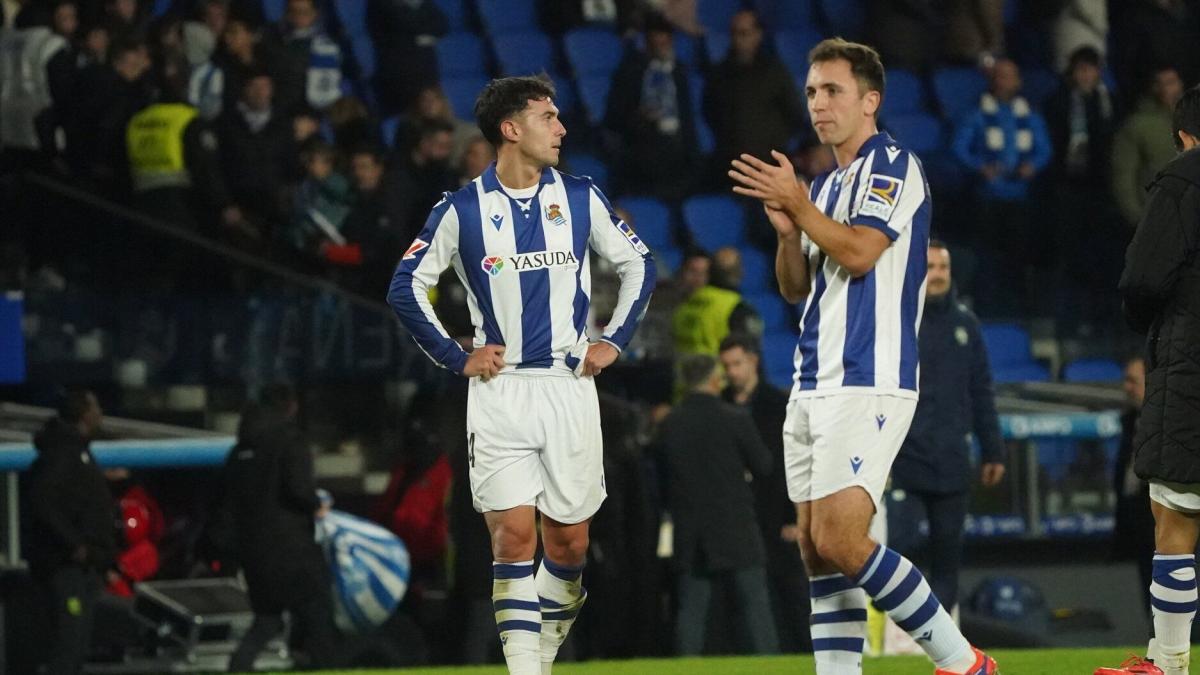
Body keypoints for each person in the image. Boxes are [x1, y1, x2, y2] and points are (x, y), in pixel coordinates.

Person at [728, 37, 998, 675]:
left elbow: (858, 252)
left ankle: (965, 664)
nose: (819, 104)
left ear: (870, 100)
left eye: (833, 91)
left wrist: (799, 205)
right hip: (813, 378)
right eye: (813, 93)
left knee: (843, 540)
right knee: (817, 553)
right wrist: (790, 233)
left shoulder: (893, 167)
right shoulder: (825, 183)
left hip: (870, 376)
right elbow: (797, 288)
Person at [386, 74, 655, 675]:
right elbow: (404, 287)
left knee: (570, 546)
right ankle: (525, 670)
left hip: (568, 388)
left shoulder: (582, 196)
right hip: (501, 394)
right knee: (511, 538)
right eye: (548, 116)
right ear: (512, 129)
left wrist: (613, 341)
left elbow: (639, 263)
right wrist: (457, 357)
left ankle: (542, 654)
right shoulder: (459, 211)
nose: (561, 128)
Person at [1104, 85, 1200, 675]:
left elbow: (1142, 279)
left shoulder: (1185, 176)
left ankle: (1167, 663)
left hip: (1192, 364)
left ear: (1184, 135)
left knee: (1176, 515)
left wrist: (1149, 324)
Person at [886, 241, 1006, 615]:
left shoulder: (966, 325)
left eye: (943, 267)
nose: (937, 274)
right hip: (904, 459)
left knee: (948, 556)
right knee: (898, 549)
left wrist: (993, 450)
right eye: (931, 266)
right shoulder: (897, 321)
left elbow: (981, 390)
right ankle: (895, 638)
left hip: (953, 459)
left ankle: (941, 649)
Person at [654, 353, 778, 655]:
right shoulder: (735, 418)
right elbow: (763, 465)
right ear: (714, 379)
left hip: (690, 531)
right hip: (736, 526)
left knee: (691, 613)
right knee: (755, 610)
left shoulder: (670, 424)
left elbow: (660, 480)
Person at [224, 383, 339, 671]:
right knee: (318, 615)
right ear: (290, 406)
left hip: (253, 553)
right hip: (292, 549)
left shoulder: (240, 449)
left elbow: (226, 500)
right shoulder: (289, 441)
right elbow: (298, 488)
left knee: (267, 618)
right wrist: (316, 504)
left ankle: (238, 666)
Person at [718, 333, 809, 652]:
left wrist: (793, 515)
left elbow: (793, 461)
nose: (732, 372)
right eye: (727, 365)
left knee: (791, 591)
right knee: (749, 596)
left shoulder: (778, 404)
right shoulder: (721, 406)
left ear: (753, 361)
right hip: (738, 516)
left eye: (737, 364)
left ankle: (805, 655)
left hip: (776, 514)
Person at [950, 57, 1052, 318]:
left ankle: (1018, 309)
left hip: (1020, 198)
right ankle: (987, 307)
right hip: (989, 197)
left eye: (1009, 76)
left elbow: (1044, 149)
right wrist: (979, 166)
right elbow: (959, 147)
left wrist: (1033, 165)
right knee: (987, 257)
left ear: (1018, 81)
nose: (1004, 81)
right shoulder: (978, 114)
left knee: (1019, 257)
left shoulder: (1028, 114)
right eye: (1000, 76)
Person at [26, 390, 117, 675]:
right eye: (96, 406)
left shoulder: (76, 450)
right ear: (85, 413)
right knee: (68, 645)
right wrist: (75, 545)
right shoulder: (64, 452)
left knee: (76, 645)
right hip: (66, 568)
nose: (101, 412)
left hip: (81, 567)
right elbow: (44, 501)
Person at [604, 12, 697, 202]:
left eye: (666, 42)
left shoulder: (678, 72)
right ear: (647, 42)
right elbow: (614, 117)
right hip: (643, 152)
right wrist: (641, 117)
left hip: (678, 154)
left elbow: (686, 116)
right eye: (657, 42)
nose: (662, 46)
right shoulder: (631, 72)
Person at [1112, 66, 1185, 228]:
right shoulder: (1137, 126)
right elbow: (1123, 176)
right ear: (1153, 88)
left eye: (1172, 82)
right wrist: (1137, 218)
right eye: (1162, 83)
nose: (1169, 89)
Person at [1111, 356, 1153, 617]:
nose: (1127, 387)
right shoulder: (1130, 422)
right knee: (1149, 588)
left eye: (1133, 381)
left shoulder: (1179, 422)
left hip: (1170, 520)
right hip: (1140, 520)